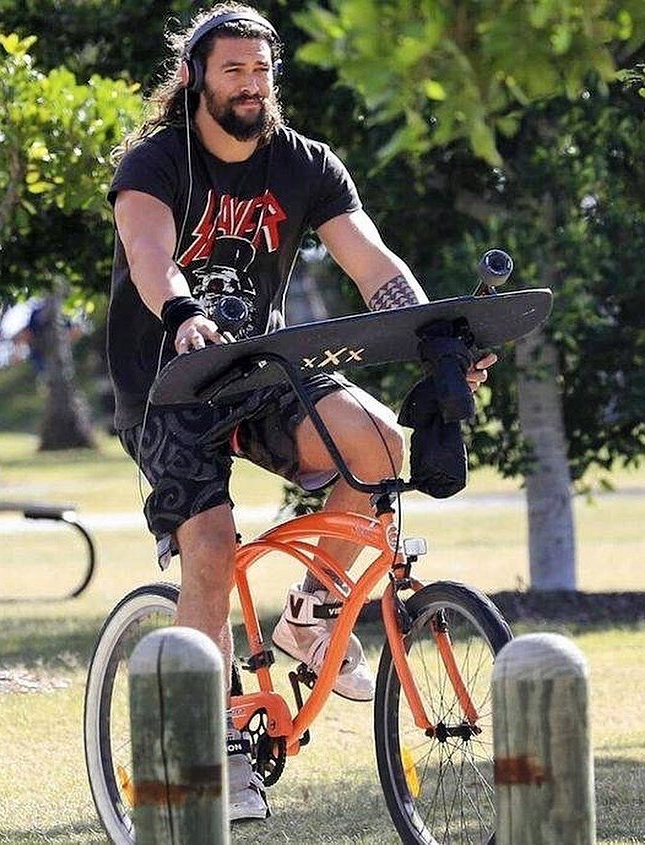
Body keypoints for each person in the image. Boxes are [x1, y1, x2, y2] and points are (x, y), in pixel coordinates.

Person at [106, 1, 495, 822]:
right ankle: (213, 744)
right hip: (168, 387)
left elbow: (368, 258)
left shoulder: (304, 165)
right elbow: (149, 256)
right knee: (210, 545)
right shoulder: (154, 162)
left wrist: (433, 336)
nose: (252, 85)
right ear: (193, 78)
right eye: (233, 70)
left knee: (380, 446)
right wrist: (180, 313)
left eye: (262, 70)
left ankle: (310, 615)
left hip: (259, 371)